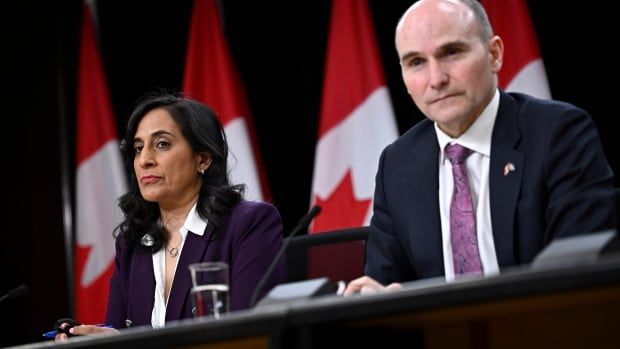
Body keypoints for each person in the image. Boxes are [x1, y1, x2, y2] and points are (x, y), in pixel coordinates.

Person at [344, 0, 616, 295]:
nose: (436, 79)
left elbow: (581, 270)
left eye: (451, 53)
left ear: (494, 54)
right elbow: (384, 282)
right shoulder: (396, 164)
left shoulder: (559, 134)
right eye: (416, 62)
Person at [56, 93, 286, 339]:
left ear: (203, 159)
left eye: (162, 144)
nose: (144, 160)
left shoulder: (248, 224)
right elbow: (121, 333)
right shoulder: (132, 243)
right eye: (138, 148)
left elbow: (249, 337)